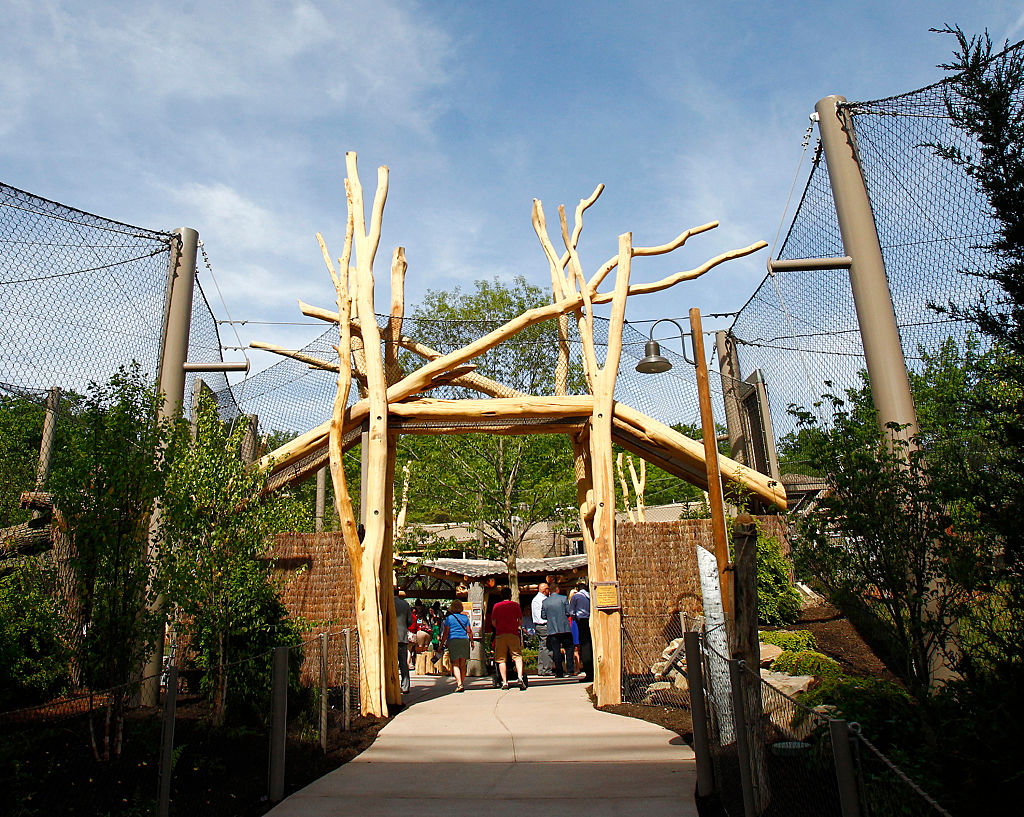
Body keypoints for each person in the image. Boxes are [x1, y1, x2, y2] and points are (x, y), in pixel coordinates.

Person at [490, 586, 526, 690]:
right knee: (517, 656)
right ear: (510, 595)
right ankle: (519, 677)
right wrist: (514, 626)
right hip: (513, 633)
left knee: (501, 659)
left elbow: (493, 622)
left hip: (500, 634)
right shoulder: (515, 605)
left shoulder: (496, 606)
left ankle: (504, 681)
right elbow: (520, 620)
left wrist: (500, 626)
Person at [440, 599, 474, 692]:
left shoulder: (449, 618)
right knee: (463, 664)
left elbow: (446, 633)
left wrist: (441, 644)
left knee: (455, 663)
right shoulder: (465, 618)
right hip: (464, 640)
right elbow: (469, 631)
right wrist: (472, 641)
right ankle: (461, 683)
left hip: (453, 640)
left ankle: (459, 684)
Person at [541, 582, 573, 678]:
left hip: (552, 629)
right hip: (564, 628)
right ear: (557, 590)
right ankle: (570, 669)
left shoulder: (545, 602)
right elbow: (568, 612)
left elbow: (543, 616)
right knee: (569, 648)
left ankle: (559, 671)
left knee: (556, 650)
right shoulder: (563, 599)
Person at [568, 580, 593, 682]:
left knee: (584, 645)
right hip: (590, 619)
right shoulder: (590, 596)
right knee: (590, 644)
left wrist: (574, 618)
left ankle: (588, 671)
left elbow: (571, 611)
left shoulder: (576, 597)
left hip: (581, 621)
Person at [530, 582, 554, 676]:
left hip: (538, 625)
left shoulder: (536, 599)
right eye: (548, 589)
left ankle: (541, 669)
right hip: (543, 625)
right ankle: (547, 669)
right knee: (547, 647)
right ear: (545, 590)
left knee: (541, 647)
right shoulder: (543, 600)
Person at [394, 591, 412, 693]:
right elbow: (410, 621)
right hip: (402, 637)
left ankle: (392, 685)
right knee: (403, 664)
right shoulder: (405, 604)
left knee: (390, 663)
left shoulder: (386, 602)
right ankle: (405, 686)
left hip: (389, 637)